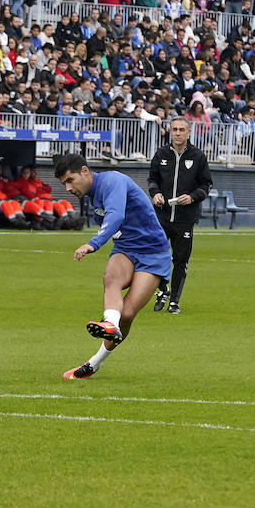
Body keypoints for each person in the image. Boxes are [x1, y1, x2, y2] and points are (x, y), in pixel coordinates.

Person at [54, 152, 171, 380]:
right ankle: (109, 323)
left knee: (126, 315)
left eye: (70, 180)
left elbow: (115, 215)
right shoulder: (92, 193)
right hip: (125, 248)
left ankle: (94, 363)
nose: (68, 188)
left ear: (85, 171)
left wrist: (93, 243)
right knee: (111, 278)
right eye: (64, 184)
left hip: (153, 253)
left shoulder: (113, 181)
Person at [146, 117, 213, 315]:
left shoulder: (198, 156)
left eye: (181, 129)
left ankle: (174, 301)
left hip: (185, 218)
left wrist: (192, 197)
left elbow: (206, 185)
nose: (177, 133)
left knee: (181, 260)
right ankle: (162, 290)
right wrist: (155, 194)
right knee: (156, 257)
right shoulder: (161, 154)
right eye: (174, 129)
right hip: (162, 217)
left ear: (188, 132)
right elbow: (152, 180)